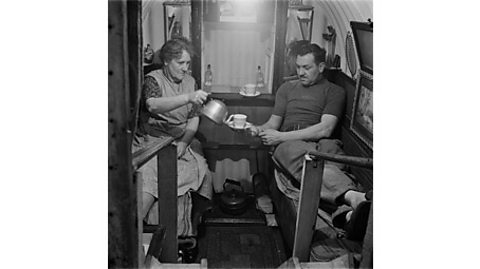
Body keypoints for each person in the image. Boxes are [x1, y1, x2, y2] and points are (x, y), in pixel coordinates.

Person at [248, 41, 371, 241]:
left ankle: (347, 215)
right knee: (310, 161)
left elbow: (326, 128)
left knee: (333, 159)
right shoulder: (286, 89)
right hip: (290, 142)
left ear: (321, 67)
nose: (301, 72)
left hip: (322, 139)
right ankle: (353, 197)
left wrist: (280, 136)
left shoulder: (334, 91)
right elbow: (273, 123)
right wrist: (257, 129)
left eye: (307, 67)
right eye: (298, 67)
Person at [133, 37, 213, 238]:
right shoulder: (153, 79)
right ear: (167, 61)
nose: (185, 68)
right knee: (152, 173)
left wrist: (185, 142)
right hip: (154, 137)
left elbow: (194, 118)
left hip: (181, 136)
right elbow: (152, 104)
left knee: (202, 171)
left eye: (188, 63)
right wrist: (188, 97)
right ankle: (137, 230)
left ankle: (188, 232)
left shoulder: (190, 81)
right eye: (180, 63)